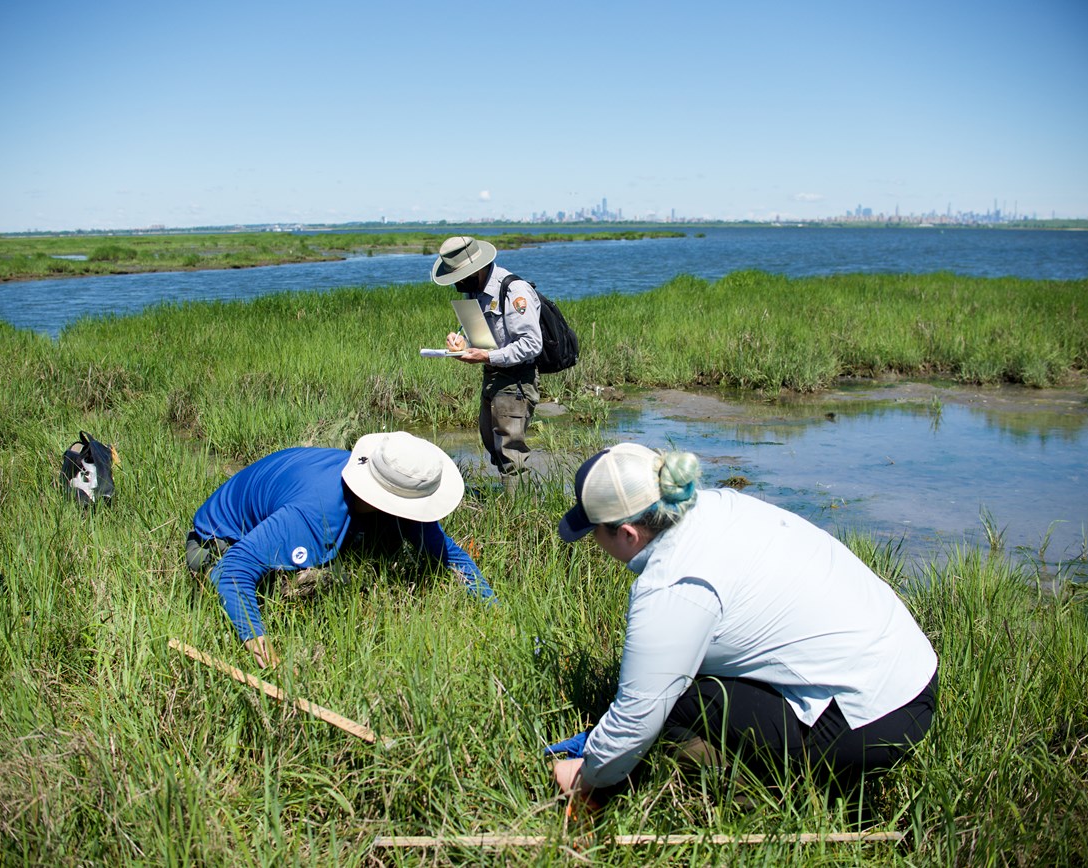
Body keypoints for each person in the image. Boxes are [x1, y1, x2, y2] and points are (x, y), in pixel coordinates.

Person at [549, 442, 938, 808]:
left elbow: (639, 714)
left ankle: (765, 800)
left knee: (675, 704)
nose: (595, 543)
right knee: (682, 681)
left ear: (629, 534)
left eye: (595, 532)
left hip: (871, 721)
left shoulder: (671, 585)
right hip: (912, 674)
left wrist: (588, 776)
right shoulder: (720, 505)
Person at [186, 432, 496, 668]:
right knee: (308, 587)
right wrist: (261, 648)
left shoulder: (394, 484)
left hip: (297, 516)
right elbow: (233, 571)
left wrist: (493, 609)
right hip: (219, 542)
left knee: (379, 553)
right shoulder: (313, 512)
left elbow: (449, 555)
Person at [432, 236, 542, 489]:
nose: (457, 282)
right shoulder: (474, 290)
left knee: (510, 450)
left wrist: (486, 356)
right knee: (492, 442)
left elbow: (531, 344)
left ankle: (521, 516)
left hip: (516, 379)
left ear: (478, 267)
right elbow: (485, 338)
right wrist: (463, 345)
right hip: (492, 374)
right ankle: (511, 500)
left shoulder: (514, 290)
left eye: (459, 275)